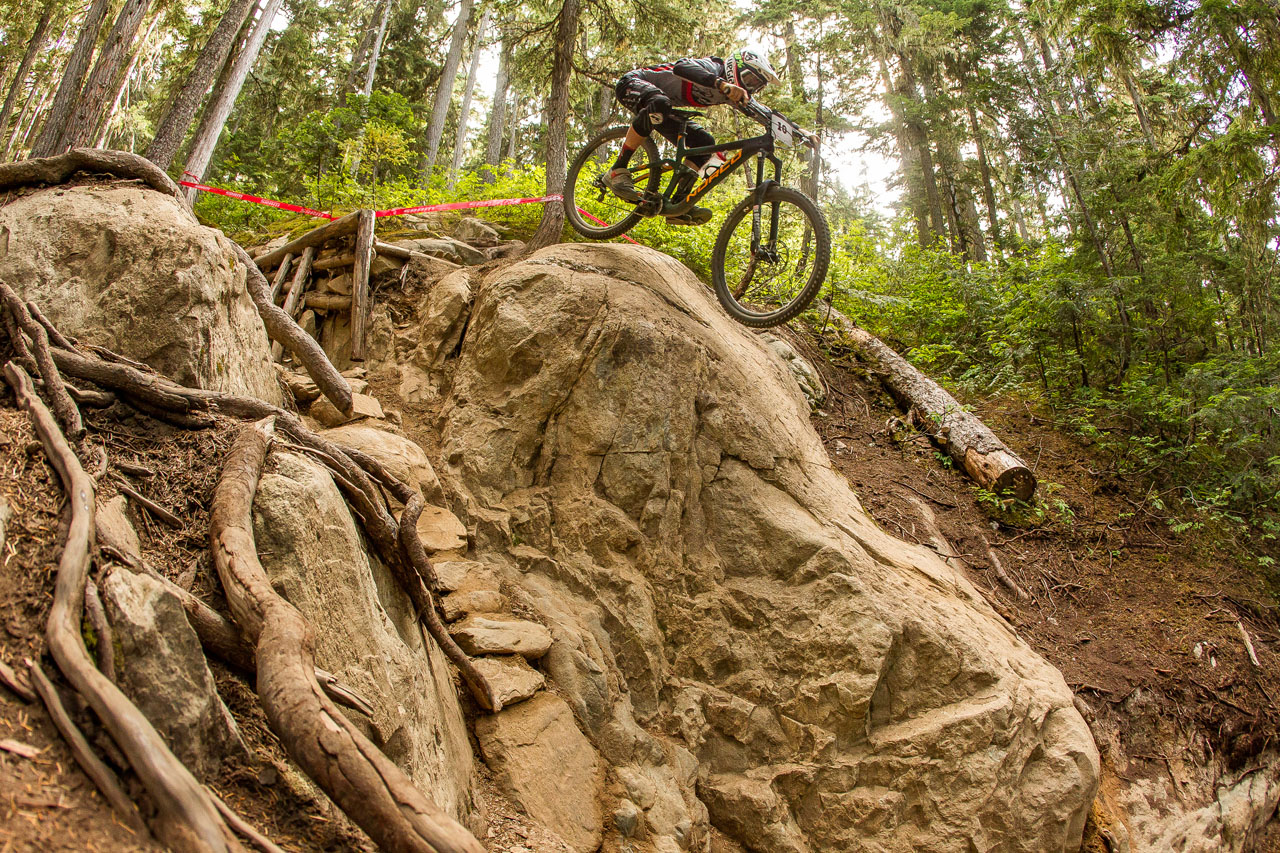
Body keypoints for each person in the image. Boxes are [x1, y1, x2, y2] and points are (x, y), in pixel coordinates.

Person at [604, 50, 780, 225]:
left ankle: (678, 205)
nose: (750, 87)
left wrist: (802, 133)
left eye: (756, 86)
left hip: (663, 107)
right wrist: (721, 84)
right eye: (750, 80)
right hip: (633, 83)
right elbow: (682, 67)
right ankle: (617, 170)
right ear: (737, 66)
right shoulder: (714, 67)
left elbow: (766, 114)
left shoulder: (733, 94)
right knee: (660, 103)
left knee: (704, 142)